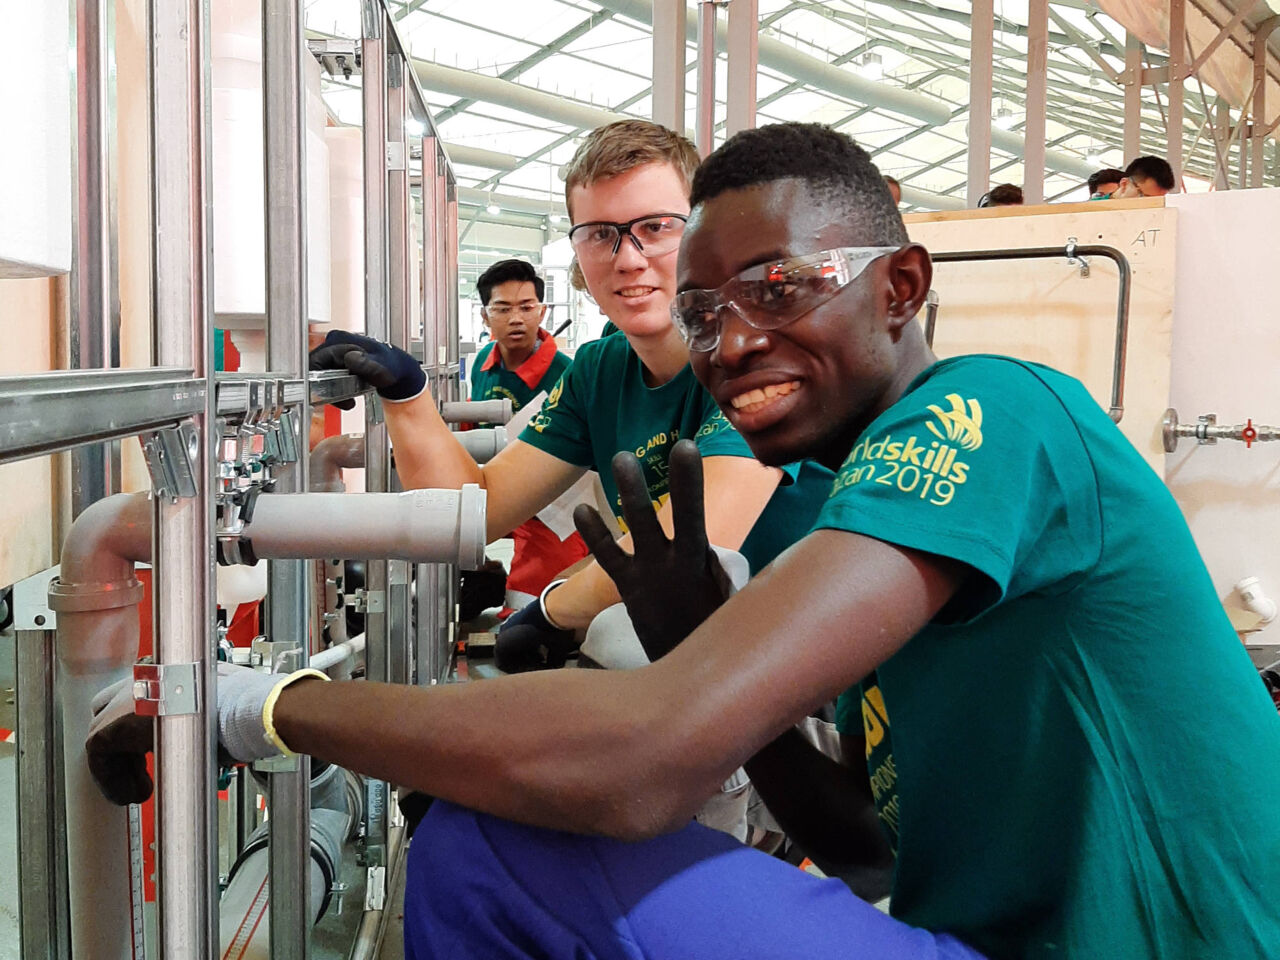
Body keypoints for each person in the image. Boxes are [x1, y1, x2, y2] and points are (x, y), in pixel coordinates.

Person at [88, 123, 1280, 959]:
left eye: (779, 286)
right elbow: (862, 842)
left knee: (494, 838)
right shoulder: (650, 390)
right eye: (705, 310)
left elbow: (647, 752)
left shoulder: (986, 412)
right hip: (951, 918)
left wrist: (252, 706)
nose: (730, 338)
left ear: (901, 286)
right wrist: (410, 405)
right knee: (498, 822)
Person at [465, 258, 587, 614]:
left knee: (539, 611)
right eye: (503, 309)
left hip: (551, 510)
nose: (516, 318)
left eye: (526, 307)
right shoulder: (483, 364)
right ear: (485, 316)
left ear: (542, 312)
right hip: (494, 493)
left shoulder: (568, 374)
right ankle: (489, 582)